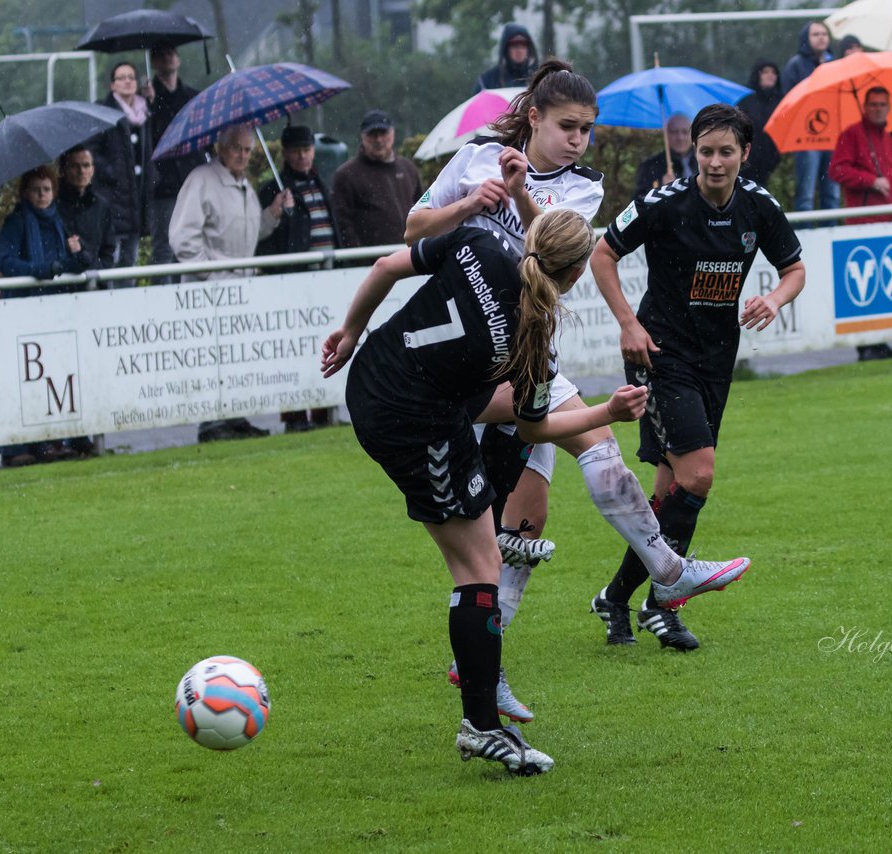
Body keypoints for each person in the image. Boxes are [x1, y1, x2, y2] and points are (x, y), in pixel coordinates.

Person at [321, 208, 747, 775]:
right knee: (478, 568)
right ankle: (480, 723)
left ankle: (488, 660)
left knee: (485, 551)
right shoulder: (536, 336)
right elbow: (533, 427)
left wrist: (351, 331)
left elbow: (385, 265)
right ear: (573, 277)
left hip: (383, 380)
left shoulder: (477, 241)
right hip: (411, 418)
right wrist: (609, 411)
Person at [408, 60, 748, 718]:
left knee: (528, 526)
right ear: (533, 117)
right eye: (568, 126)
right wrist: (469, 202)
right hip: (476, 356)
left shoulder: (584, 186)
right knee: (572, 461)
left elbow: (556, 250)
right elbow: (413, 229)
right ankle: (668, 571)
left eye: (588, 130)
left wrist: (519, 196)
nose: (578, 140)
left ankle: (480, 663)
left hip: (531, 354)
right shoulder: (476, 157)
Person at [590, 103, 805, 651]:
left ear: (744, 154)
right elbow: (602, 254)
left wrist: (775, 298)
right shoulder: (664, 203)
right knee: (700, 474)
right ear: (694, 152)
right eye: (705, 151)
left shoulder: (758, 207)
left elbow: (794, 269)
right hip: (661, 355)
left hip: (715, 362)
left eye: (725, 152)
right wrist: (627, 324)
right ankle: (664, 601)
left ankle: (620, 598)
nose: (713, 161)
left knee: (670, 492)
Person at [169, 124, 291, 443]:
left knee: (235, 357)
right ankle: (211, 422)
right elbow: (182, 238)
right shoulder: (201, 180)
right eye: (236, 148)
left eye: (247, 150)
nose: (242, 155)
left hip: (238, 290)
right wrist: (212, 274)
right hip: (208, 290)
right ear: (220, 149)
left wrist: (273, 213)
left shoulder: (246, 187)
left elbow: (249, 235)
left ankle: (235, 417)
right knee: (212, 358)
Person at [0, 166, 89, 467]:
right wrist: (39, 271)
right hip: (22, 309)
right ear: (25, 193)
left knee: (52, 377)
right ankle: (16, 447)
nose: (42, 195)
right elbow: (6, 262)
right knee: (22, 378)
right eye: (36, 190)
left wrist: (78, 256)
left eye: (46, 189)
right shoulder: (16, 222)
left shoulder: (59, 221)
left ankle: (50, 441)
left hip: (53, 310)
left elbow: (68, 264)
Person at [258, 124, 343, 433]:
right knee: (295, 347)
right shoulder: (274, 189)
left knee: (327, 343)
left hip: (327, 277)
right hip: (295, 281)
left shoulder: (322, 183)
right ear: (285, 153)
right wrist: (280, 212)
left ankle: (324, 409)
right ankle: (294, 415)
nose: (303, 156)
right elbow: (265, 240)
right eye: (296, 151)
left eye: (307, 150)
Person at [829, 86, 892, 361]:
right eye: (873, 104)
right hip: (864, 220)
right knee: (867, 284)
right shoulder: (851, 134)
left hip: (888, 218)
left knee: (884, 285)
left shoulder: (887, 138)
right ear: (865, 106)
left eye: (882, 104)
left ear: (888, 107)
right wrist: (870, 181)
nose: (877, 109)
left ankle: (880, 340)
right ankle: (867, 343)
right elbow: (837, 170)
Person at [147, 43, 208, 282]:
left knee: (195, 243)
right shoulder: (147, 101)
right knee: (165, 246)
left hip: (193, 181)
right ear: (154, 63)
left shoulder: (193, 97)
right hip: (165, 186)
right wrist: (149, 106)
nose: (167, 59)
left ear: (178, 60)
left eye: (170, 53)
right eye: (161, 54)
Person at [91, 61, 148, 286]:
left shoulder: (145, 113)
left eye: (131, 77)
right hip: (111, 201)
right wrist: (112, 172)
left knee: (129, 263)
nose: (127, 81)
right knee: (110, 263)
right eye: (122, 77)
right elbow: (91, 151)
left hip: (135, 203)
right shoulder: (102, 112)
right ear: (112, 85)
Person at [331, 110, 423, 249]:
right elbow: (342, 223)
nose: (379, 140)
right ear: (363, 137)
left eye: (383, 133)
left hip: (410, 257)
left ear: (392, 134)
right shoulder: (346, 175)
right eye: (372, 135)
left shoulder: (408, 168)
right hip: (371, 261)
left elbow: (422, 208)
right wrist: (359, 258)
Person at [781, 21, 840, 213]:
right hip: (807, 138)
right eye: (816, 34)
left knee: (832, 194)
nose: (821, 37)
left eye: (824, 33)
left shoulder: (834, 64)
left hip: (832, 137)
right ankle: (805, 237)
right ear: (806, 38)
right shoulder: (795, 65)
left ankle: (830, 234)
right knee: (806, 195)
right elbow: (789, 100)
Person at [56, 146, 117, 277]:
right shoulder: (52, 206)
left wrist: (95, 270)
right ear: (63, 170)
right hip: (60, 282)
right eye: (74, 166)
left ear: (93, 170)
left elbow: (108, 251)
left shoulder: (102, 206)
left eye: (86, 165)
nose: (81, 171)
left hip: (93, 283)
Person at [737, 60, 783, 187]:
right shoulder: (746, 100)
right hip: (748, 159)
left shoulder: (782, 101)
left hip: (773, 160)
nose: (770, 75)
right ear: (757, 75)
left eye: (774, 72)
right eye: (765, 72)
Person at [633, 113, 696, 197]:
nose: (680, 137)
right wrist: (661, 189)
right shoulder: (650, 166)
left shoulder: (702, 162)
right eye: (674, 132)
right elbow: (639, 202)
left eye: (685, 132)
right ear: (666, 134)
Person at [473, 24, 539, 93]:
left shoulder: (539, 79)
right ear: (506, 48)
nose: (519, 49)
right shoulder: (487, 81)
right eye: (514, 44)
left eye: (524, 44)